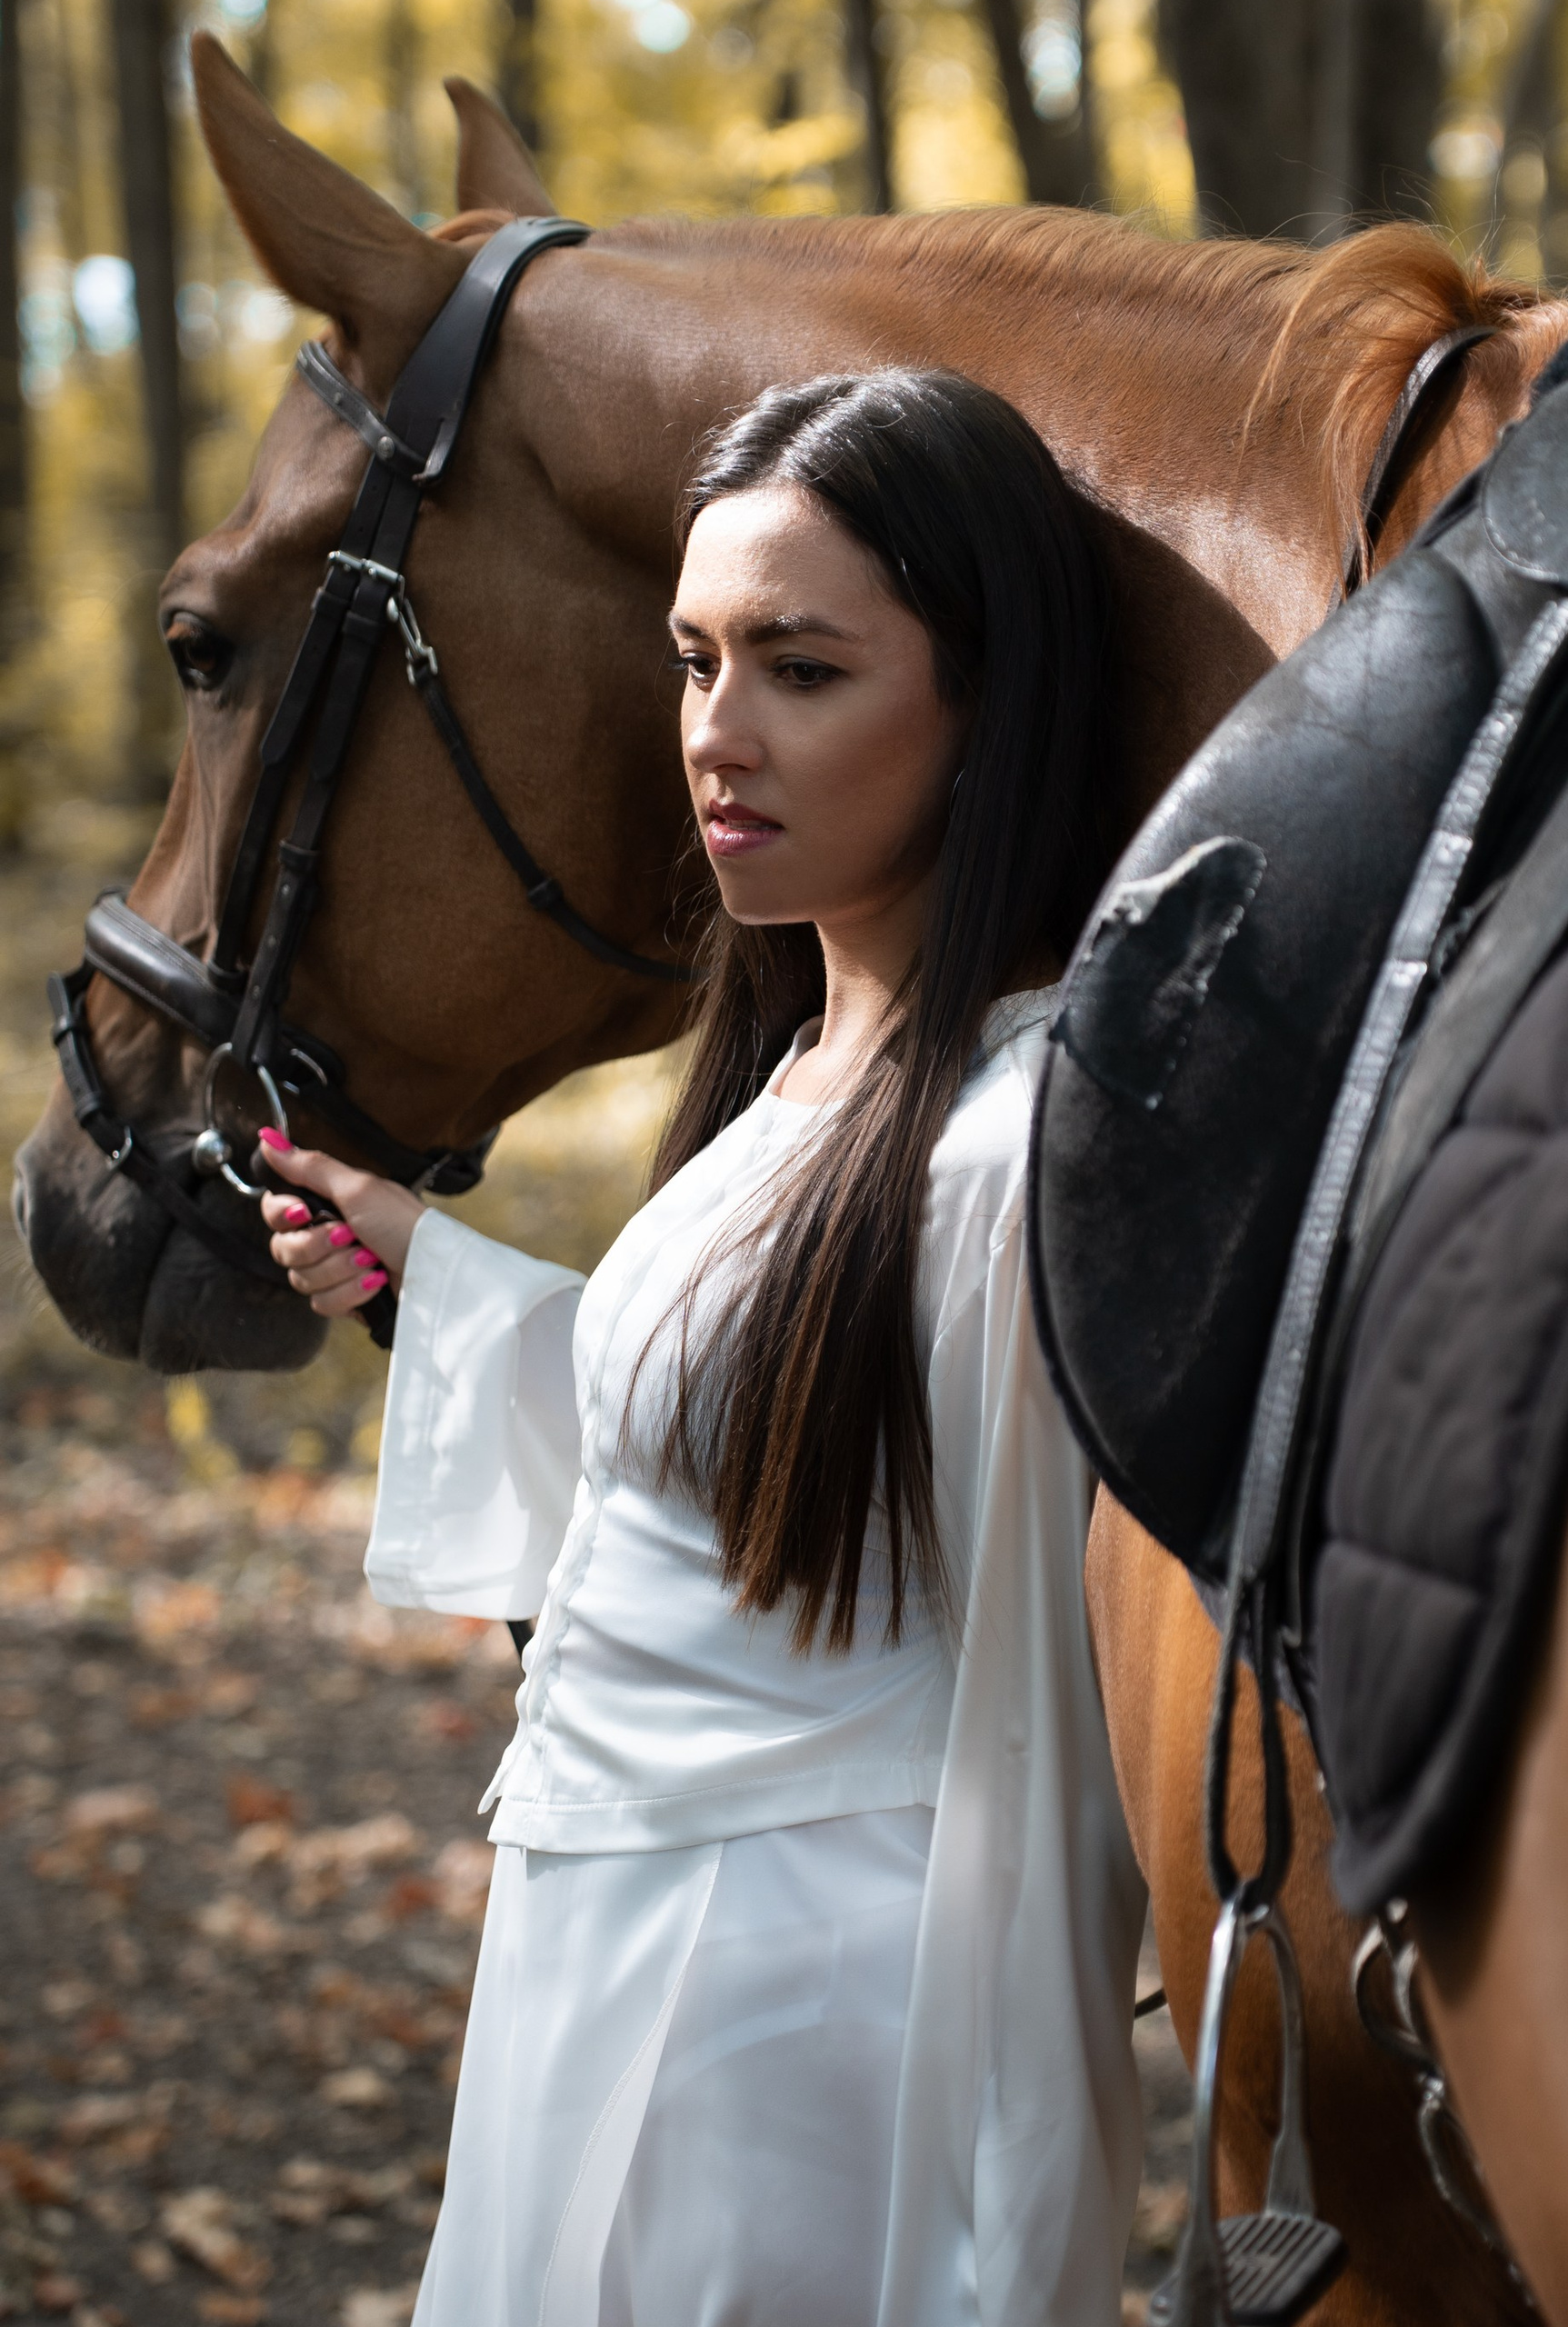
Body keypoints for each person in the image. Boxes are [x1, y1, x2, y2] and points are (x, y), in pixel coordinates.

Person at [257, 370, 1146, 2327]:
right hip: (602, 1943)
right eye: (695, 658)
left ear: (987, 702)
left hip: (805, 2030)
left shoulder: (1010, 1149)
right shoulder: (803, 1070)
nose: (716, 734)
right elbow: (730, 1480)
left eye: (800, 670)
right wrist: (437, 1284)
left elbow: (1037, 1744)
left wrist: (1012, 2235)